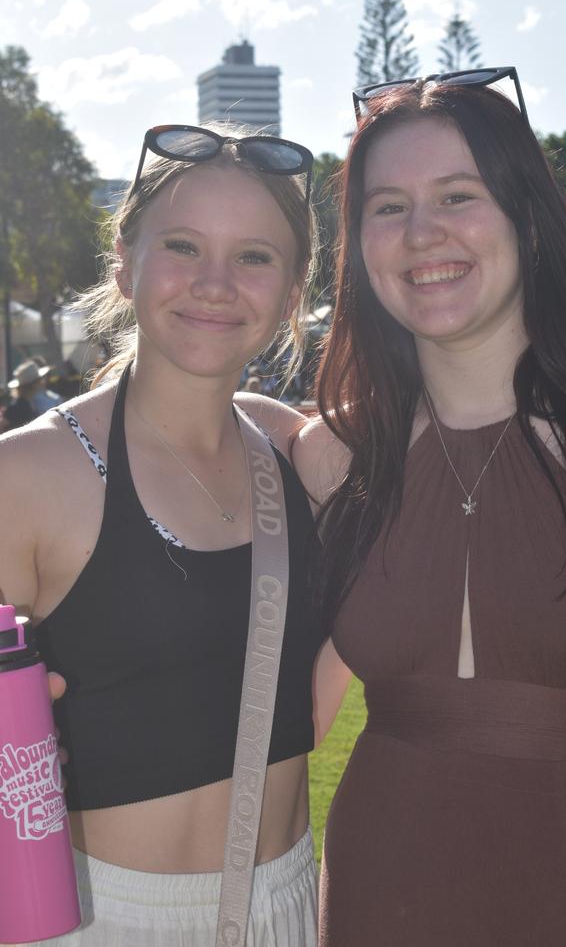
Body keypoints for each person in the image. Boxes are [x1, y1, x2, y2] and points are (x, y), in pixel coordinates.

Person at [292, 69, 566, 945]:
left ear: (527, 216)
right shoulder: (333, 455)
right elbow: (285, 719)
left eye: (458, 195)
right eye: (387, 206)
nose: (423, 235)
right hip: (380, 899)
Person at [0, 122, 324, 945]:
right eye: (183, 245)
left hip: (290, 902)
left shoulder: (300, 452)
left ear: (292, 291)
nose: (215, 283)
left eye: (254, 256)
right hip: (107, 918)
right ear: (124, 260)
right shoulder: (29, 475)